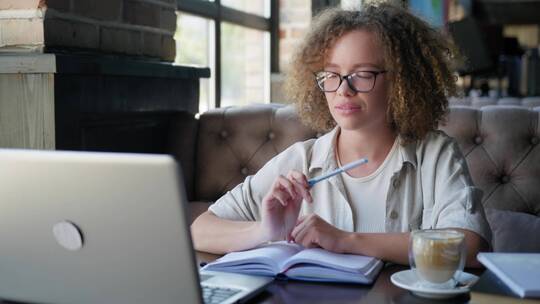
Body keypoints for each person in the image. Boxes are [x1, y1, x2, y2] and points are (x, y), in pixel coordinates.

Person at [191, 2, 491, 267]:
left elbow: (471, 245)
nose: (343, 90)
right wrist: (265, 231)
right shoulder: (301, 160)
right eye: (332, 75)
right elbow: (200, 230)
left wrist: (347, 241)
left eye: (362, 74)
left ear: (402, 82)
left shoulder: (435, 154)